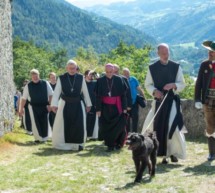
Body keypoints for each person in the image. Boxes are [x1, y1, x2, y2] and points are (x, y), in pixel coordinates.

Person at [142, 43, 187, 164]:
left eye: (167, 53)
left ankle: (173, 153)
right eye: (163, 53)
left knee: (174, 128)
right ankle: (162, 155)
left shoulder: (176, 67)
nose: (165, 55)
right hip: (158, 103)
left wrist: (173, 85)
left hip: (172, 102)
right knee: (155, 128)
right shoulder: (152, 68)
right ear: (158, 54)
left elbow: (182, 83)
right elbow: (147, 85)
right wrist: (154, 91)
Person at [51, 60, 92, 151]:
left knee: (79, 124)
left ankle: (78, 145)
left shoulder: (81, 77)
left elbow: (85, 91)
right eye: (70, 68)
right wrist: (54, 104)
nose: (72, 70)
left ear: (76, 68)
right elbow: (57, 92)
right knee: (62, 124)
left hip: (78, 104)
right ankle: (62, 144)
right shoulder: (61, 78)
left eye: (74, 68)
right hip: (64, 104)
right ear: (67, 68)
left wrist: (88, 104)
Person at [95, 63, 128, 151]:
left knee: (119, 126)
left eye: (111, 72)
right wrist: (98, 109)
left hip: (117, 107)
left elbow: (123, 95)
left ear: (114, 71)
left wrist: (124, 108)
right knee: (106, 126)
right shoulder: (100, 81)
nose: (109, 73)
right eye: (107, 72)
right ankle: (110, 145)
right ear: (105, 71)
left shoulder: (119, 79)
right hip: (105, 107)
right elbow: (98, 96)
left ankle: (118, 143)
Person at [19, 69, 53, 143]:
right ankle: (37, 138)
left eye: (36, 75)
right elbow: (24, 98)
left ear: (39, 75)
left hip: (45, 106)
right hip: (33, 107)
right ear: (31, 76)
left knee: (44, 122)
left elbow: (51, 95)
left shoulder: (45, 83)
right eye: (33, 76)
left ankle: (44, 138)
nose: (35, 77)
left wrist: (50, 105)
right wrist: (21, 109)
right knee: (35, 123)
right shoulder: (28, 86)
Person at [194, 40, 215, 161]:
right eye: (209, 52)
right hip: (208, 100)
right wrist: (197, 99)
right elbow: (199, 83)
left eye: (212, 52)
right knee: (210, 126)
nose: (210, 54)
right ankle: (212, 153)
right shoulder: (204, 65)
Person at [122, 67, 144, 133]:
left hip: (134, 103)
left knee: (135, 119)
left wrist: (143, 97)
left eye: (128, 73)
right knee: (127, 120)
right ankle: (127, 135)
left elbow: (139, 88)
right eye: (125, 73)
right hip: (126, 104)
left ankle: (135, 134)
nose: (127, 74)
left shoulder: (133, 79)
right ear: (122, 74)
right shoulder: (121, 80)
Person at [84, 70, 99, 140]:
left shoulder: (95, 83)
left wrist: (97, 76)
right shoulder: (82, 83)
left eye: (92, 75)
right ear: (86, 75)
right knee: (85, 120)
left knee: (92, 120)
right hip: (84, 104)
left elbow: (100, 83)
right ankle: (84, 135)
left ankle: (92, 135)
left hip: (93, 104)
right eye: (90, 74)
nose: (91, 76)